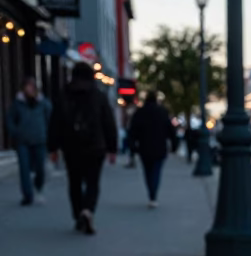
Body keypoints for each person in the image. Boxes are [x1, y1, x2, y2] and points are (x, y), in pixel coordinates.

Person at [47, 62, 118, 234]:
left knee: (75, 182)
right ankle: (88, 210)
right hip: (96, 147)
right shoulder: (98, 96)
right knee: (93, 182)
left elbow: (55, 123)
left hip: (71, 147)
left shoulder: (64, 95)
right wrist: (112, 148)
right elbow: (108, 122)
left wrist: (53, 148)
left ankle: (78, 213)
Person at [6, 76, 51, 206]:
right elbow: (10, 119)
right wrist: (15, 132)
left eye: (32, 86)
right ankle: (27, 195)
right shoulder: (18, 104)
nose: (30, 89)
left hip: (40, 140)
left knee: (40, 168)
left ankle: (38, 184)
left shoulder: (43, 103)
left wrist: (48, 134)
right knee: (24, 169)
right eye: (27, 86)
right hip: (23, 141)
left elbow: (50, 118)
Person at [128, 91, 176, 206]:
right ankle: (153, 195)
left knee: (147, 171)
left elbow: (132, 131)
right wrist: (174, 145)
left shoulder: (140, 112)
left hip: (144, 147)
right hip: (160, 147)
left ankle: (151, 193)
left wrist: (132, 147)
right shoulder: (162, 112)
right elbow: (171, 130)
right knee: (156, 171)